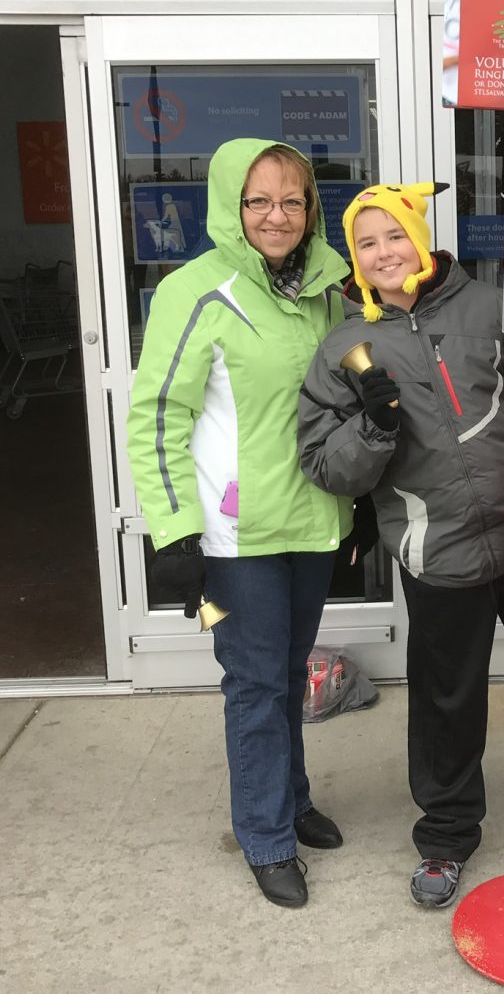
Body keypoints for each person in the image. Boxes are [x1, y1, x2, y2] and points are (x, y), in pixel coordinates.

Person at [297, 182, 504, 910]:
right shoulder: (346, 347)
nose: (384, 252)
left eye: (394, 235)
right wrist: (374, 427)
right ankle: (447, 835)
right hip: (435, 549)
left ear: (419, 236)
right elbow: (324, 462)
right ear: (352, 259)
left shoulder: (490, 308)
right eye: (366, 242)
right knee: (448, 699)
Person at [126, 138, 359, 910]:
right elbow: (158, 413)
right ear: (231, 205)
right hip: (232, 542)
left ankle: (291, 801)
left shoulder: (328, 290)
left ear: (311, 207)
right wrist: (175, 531)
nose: (276, 215)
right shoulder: (196, 290)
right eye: (258, 200)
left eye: (292, 200)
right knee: (253, 683)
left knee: (288, 674)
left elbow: (349, 382)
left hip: (311, 525)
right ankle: (264, 835)